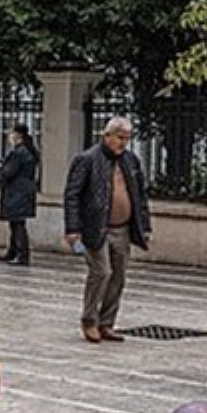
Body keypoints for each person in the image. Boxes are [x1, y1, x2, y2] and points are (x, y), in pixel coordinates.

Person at [63, 116, 152, 344]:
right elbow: (72, 195)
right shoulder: (88, 159)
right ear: (107, 136)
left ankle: (107, 323)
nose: (123, 143)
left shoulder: (131, 161)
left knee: (118, 276)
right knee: (101, 272)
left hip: (122, 229)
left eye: (127, 139)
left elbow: (140, 196)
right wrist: (73, 229)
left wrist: (144, 225)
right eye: (120, 138)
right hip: (96, 227)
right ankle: (89, 320)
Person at [0, 123, 39, 266]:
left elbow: (9, 172)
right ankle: (13, 251)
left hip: (16, 192)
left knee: (17, 224)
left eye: (12, 133)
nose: (10, 136)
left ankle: (21, 254)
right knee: (16, 223)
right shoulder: (29, 151)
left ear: (18, 135)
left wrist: (1, 169)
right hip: (25, 191)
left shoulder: (18, 153)